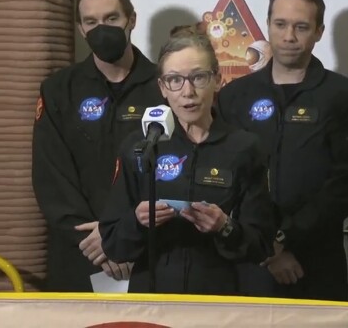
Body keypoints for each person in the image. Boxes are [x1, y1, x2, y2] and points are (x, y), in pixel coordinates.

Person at [217, 0, 348, 301]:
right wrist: (267, 247)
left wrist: (285, 238)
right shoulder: (234, 96)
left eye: (301, 27)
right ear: (268, 25)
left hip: (316, 258)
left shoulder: (344, 96)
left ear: (318, 32)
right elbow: (225, 176)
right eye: (280, 24)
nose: (289, 36)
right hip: (248, 257)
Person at [98, 29, 275, 295]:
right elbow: (113, 243)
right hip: (153, 294)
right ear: (162, 88)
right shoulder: (142, 146)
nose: (187, 91)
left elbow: (261, 243)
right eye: (174, 80)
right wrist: (137, 222)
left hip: (222, 297)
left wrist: (225, 227)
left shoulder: (244, 147)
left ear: (217, 79)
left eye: (198, 77)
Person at [31, 0, 166, 292]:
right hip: (81, 252)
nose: (101, 28)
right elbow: (51, 175)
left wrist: (125, 235)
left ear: (131, 19)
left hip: (148, 252)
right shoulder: (58, 89)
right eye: (91, 21)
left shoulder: (167, 86)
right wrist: (95, 241)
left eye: (111, 19)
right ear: (80, 28)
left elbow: (177, 169)